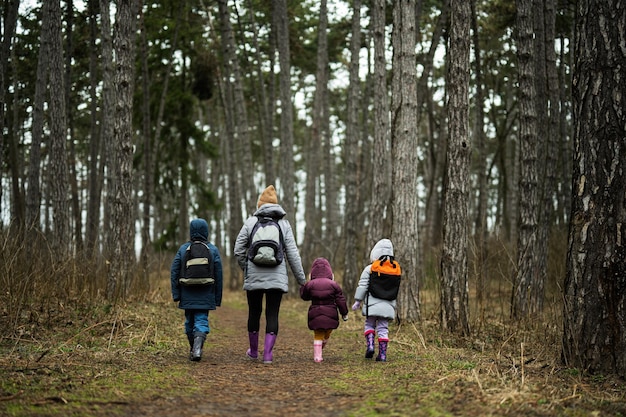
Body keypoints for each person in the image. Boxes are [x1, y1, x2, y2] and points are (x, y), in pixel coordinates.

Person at [234, 185, 306, 364]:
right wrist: (302, 280)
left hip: (254, 278)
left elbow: (238, 250)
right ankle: (267, 354)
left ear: (260, 205)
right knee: (272, 313)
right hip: (277, 278)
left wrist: (247, 268)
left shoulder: (251, 222)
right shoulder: (284, 224)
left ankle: (253, 351)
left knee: (254, 312)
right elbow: (293, 254)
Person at [171, 218, 223, 361]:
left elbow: (174, 271)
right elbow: (219, 275)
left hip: (186, 292)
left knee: (189, 322)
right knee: (201, 320)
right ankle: (197, 348)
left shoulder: (183, 249)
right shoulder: (212, 249)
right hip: (206, 293)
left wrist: (176, 294)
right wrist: (216, 298)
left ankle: (193, 348)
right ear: (206, 231)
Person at [352, 238, 397, 362]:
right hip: (388, 305)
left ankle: (370, 345)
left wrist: (357, 301)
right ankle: (382, 354)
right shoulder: (395, 269)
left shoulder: (370, 268)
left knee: (369, 324)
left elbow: (363, 285)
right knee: (383, 328)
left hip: (372, 304)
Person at [300, 257, 349, 363]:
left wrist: (303, 286)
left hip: (315, 313)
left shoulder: (310, 284)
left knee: (318, 333)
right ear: (329, 272)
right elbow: (340, 300)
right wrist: (344, 313)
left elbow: (305, 297)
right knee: (327, 332)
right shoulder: (334, 285)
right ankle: (320, 348)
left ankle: (317, 355)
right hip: (330, 313)